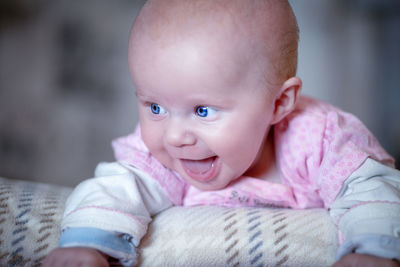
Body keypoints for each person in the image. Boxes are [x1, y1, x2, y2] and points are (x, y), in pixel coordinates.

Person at [43, 0, 400, 266]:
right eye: (155, 107)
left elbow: (371, 189)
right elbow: (118, 188)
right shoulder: (164, 157)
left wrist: (373, 249)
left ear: (279, 103)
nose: (174, 136)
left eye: (203, 111)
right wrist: (87, 244)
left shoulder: (320, 139)